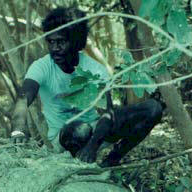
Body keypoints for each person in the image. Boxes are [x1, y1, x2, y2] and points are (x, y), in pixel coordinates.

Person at [11, 6, 164, 167]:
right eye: (51, 41)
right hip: (64, 138)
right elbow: (23, 98)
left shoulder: (95, 70)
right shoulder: (41, 67)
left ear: (76, 42)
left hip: (97, 134)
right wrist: (18, 127)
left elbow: (107, 114)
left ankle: (111, 161)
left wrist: (92, 146)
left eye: (61, 41)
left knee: (153, 108)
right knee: (80, 130)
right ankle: (76, 162)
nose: (55, 48)